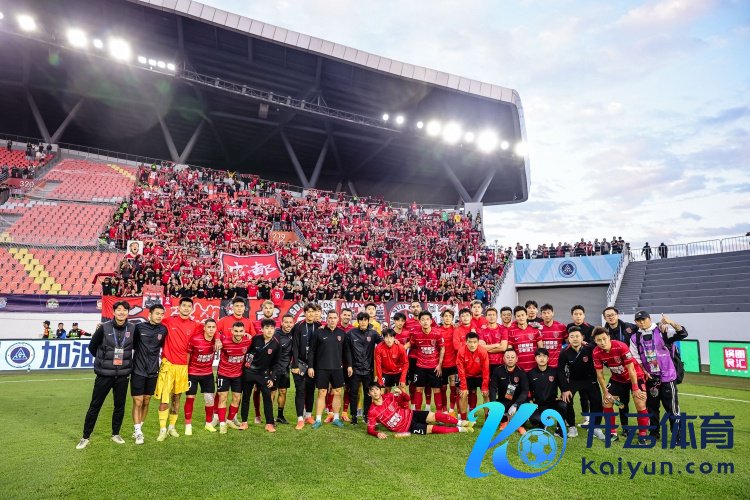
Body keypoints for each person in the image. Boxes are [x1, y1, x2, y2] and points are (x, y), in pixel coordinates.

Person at [76, 301, 135, 449]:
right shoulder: (104, 327)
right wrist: (102, 361)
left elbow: (136, 347)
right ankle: (85, 437)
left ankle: (116, 434)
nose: (122, 312)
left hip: (122, 375)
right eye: (119, 309)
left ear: (128, 313)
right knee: (95, 405)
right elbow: (92, 347)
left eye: (125, 310)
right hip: (104, 374)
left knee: (119, 406)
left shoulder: (133, 328)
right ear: (113, 312)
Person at [631, 311, 688, 439]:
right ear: (635, 322)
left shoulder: (662, 331)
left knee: (672, 408)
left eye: (644, 319)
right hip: (650, 378)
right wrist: (644, 371)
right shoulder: (635, 338)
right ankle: (654, 433)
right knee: (652, 408)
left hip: (667, 377)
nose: (641, 322)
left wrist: (671, 323)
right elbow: (636, 358)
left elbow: (683, 333)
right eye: (638, 320)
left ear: (650, 319)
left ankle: (677, 435)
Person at [592, 327, 650, 443]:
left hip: (636, 376)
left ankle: (643, 434)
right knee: (607, 402)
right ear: (595, 341)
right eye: (599, 340)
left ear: (609, 337)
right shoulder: (596, 352)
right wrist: (605, 392)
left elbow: (631, 369)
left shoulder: (621, 346)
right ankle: (612, 433)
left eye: (604, 339)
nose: (602, 342)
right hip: (617, 379)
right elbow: (600, 374)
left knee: (640, 402)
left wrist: (635, 388)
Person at [155, 297, 201, 442]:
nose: (186, 308)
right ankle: (162, 429)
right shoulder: (168, 321)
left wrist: (217, 338)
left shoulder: (196, 325)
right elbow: (152, 322)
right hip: (168, 365)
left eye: (189, 306)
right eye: (184, 305)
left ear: (192, 309)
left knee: (176, 399)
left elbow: (211, 330)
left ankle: (172, 427)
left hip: (183, 367)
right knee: (164, 399)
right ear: (179, 307)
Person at [366, 383, 474, 438]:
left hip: (412, 414)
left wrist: (402, 393)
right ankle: (461, 429)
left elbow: (407, 399)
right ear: (369, 394)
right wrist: (377, 433)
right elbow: (370, 429)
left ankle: (461, 422)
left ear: (380, 390)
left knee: (435, 416)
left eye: (377, 389)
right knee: (432, 429)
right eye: (372, 391)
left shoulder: (389, 396)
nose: (375, 392)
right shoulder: (372, 411)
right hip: (408, 427)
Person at [130, 304, 167, 444]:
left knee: (146, 401)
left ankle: (139, 427)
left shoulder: (163, 330)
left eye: (162, 314)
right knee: (138, 401)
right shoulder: (139, 328)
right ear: (150, 314)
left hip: (153, 371)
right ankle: (138, 432)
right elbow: (132, 344)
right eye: (157, 313)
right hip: (138, 370)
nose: (159, 316)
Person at [559, 326, 604, 439]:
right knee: (566, 401)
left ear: (582, 337)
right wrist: (565, 389)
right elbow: (560, 372)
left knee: (597, 400)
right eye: (572, 336)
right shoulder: (564, 352)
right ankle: (572, 427)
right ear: (568, 338)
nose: (575, 339)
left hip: (590, 380)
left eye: (577, 336)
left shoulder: (590, 348)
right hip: (574, 381)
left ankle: (595, 427)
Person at [241, 319, 283, 433]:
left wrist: (272, 377)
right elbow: (247, 352)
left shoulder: (277, 343)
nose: (269, 330)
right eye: (267, 328)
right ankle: (244, 422)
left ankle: (269, 423)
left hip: (263, 374)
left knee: (267, 398)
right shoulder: (255, 339)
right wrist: (246, 366)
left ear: (274, 329)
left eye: (271, 328)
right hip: (249, 372)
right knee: (246, 397)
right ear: (262, 329)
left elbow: (276, 363)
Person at [308, 310, 347, 429]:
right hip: (322, 368)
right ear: (327, 319)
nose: (332, 320)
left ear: (338, 319)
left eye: (334, 318)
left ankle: (336, 418)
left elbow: (346, 352)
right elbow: (312, 351)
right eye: (330, 318)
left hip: (337, 368)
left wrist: (349, 365)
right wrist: (310, 366)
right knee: (322, 393)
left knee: (338, 392)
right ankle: (318, 420)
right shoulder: (318, 333)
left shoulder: (342, 333)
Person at [602, 306, 637, 432]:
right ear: (605, 318)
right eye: (608, 316)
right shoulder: (603, 332)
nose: (610, 317)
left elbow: (645, 328)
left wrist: (660, 325)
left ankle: (643, 427)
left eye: (612, 314)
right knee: (618, 402)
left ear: (617, 315)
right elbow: (595, 345)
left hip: (633, 370)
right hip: (617, 373)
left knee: (639, 400)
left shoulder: (629, 327)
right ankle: (620, 429)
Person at [344, 312, 382, 424]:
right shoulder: (351, 333)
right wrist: (350, 365)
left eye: (365, 320)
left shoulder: (373, 333)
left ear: (368, 321)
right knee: (353, 393)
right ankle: (354, 416)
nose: (363, 322)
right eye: (361, 320)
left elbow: (383, 342)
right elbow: (347, 351)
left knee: (368, 394)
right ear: (358, 321)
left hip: (368, 370)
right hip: (355, 369)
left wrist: (394, 340)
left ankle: (366, 415)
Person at [405, 311, 446, 412]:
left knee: (436, 390)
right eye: (422, 319)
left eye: (427, 319)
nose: (425, 321)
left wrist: (439, 365)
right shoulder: (415, 333)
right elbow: (410, 344)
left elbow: (442, 348)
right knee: (418, 389)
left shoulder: (437, 333)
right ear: (419, 322)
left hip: (434, 367)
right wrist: (398, 346)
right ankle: (418, 413)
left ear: (431, 321)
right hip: (420, 366)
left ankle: (439, 414)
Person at [185, 318, 219, 435]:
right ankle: (188, 425)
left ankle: (208, 424)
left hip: (207, 374)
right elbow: (188, 354)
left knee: (209, 399)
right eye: (209, 327)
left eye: (213, 327)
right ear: (204, 328)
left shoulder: (217, 340)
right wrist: (186, 371)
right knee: (190, 398)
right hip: (193, 373)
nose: (211, 329)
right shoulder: (195, 339)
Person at [216, 322, 252, 434]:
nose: (238, 333)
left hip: (238, 375)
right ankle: (222, 424)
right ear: (232, 331)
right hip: (223, 374)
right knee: (223, 398)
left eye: (241, 331)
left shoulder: (248, 341)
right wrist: (217, 340)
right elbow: (214, 333)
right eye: (236, 331)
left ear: (244, 331)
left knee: (237, 398)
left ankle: (229, 420)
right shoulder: (225, 342)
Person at [291, 303, 320, 429]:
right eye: (308, 312)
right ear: (305, 313)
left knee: (311, 390)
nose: (311, 314)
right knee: (300, 390)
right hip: (300, 363)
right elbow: (295, 347)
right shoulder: (298, 326)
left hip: (313, 365)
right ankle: (300, 418)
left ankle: (308, 416)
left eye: (313, 312)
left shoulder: (318, 326)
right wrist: (295, 365)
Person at [527, 348, 566, 437]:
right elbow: (527, 390)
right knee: (535, 420)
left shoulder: (554, 372)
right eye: (539, 356)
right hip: (538, 405)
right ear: (535, 358)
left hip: (552, 403)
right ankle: (543, 421)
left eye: (544, 356)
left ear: (548, 358)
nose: (542, 358)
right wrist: (530, 400)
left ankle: (559, 429)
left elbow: (563, 385)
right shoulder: (530, 373)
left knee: (562, 405)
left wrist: (563, 393)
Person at [489, 348, 528, 434]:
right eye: (508, 357)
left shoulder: (521, 372)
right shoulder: (497, 371)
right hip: (503, 400)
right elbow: (493, 388)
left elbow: (525, 391)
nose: (510, 359)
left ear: (516, 359)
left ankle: (520, 425)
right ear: (503, 359)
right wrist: (493, 404)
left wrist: (516, 404)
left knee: (526, 407)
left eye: (512, 357)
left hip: (516, 401)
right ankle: (504, 421)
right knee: (494, 410)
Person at [455, 332, 490, 419]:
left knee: (486, 394)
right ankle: (463, 420)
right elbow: (461, 371)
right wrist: (464, 387)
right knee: (463, 394)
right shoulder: (461, 351)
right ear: (466, 342)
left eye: (474, 342)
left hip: (480, 375)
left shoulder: (483, 351)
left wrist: (485, 387)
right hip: (466, 375)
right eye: (470, 342)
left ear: (478, 342)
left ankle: (487, 419)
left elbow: (486, 370)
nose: (472, 344)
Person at [272, 313, 294, 425]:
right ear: (282, 323)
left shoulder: (293, 333)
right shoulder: (276, 334)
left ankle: (280, 416)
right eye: (286, 322)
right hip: (274, 368)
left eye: (290, 322)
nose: (288, 325)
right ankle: (269, 417)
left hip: (285, 369)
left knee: (283, 391)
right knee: (272, 392)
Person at [507, 306, 543, 372]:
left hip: (535, 368)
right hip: (519, 369)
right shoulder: (511, 332)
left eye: (522, 315)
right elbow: (509, 351)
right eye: (518, 316)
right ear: (515, 318)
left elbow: (541, 348)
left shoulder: (535, 330)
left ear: (526, 316)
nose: (521, 318)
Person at [436, 309, 458, 413]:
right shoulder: (438, 330)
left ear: (452, 318)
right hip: (442, 364)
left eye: (450, 316)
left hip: (454, 363)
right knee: (443, 388)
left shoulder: (456, 329)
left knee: (453, 387)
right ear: (442, 317)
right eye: (446, 316)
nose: (448, 318)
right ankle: (444, 410)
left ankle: (451, 409)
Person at [539, 304, 567, 368]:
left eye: (548, 312)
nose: (546, 315)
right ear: (541, 315)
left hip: (558, 365)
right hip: (543, 365)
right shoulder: (538, 328)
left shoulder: (561, 327)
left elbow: (569, 342)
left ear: (553, 313)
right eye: (544, 313)